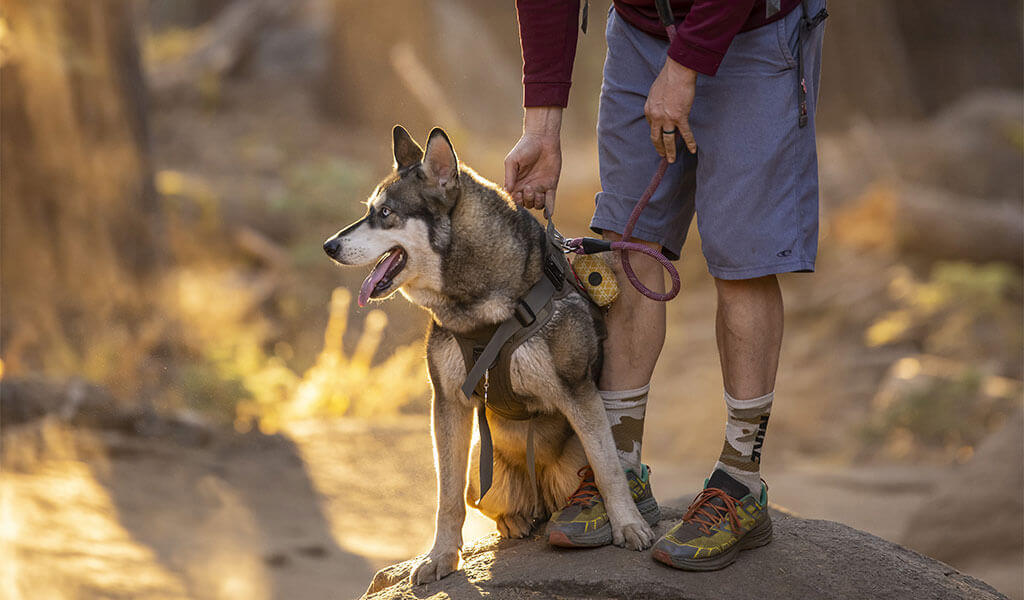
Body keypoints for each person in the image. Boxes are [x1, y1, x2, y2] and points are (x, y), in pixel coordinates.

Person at [504, 0, 826, 570]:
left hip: (755, 30)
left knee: (743, 263)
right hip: (641, 28)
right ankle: (619, 469)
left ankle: (740, 483)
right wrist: (542, 129)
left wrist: (683, 70)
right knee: (626, 249)